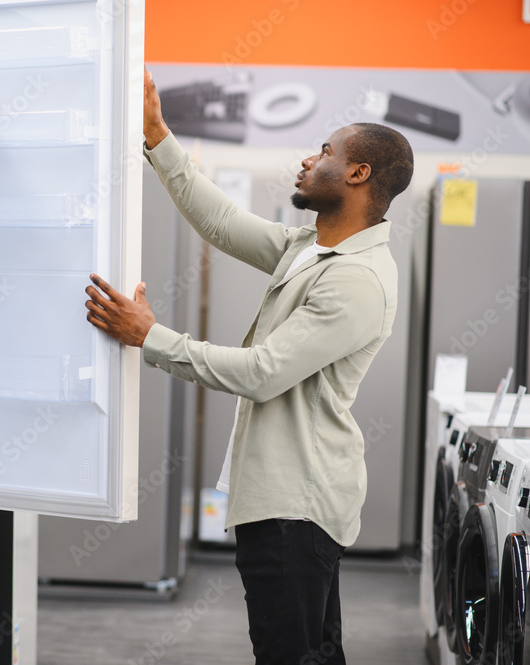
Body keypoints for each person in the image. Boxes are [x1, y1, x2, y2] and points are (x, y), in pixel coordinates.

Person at [84, 68, 414, 665]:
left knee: (288, 654)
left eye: (325, 151)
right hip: (290, 503)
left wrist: (149, 336)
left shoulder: (357, 278)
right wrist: (157, 135)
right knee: (311, 653)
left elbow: (262, 373)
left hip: (298, 507)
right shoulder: (311, 248)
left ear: (359, 174)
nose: (308, 160)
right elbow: (221, 222)